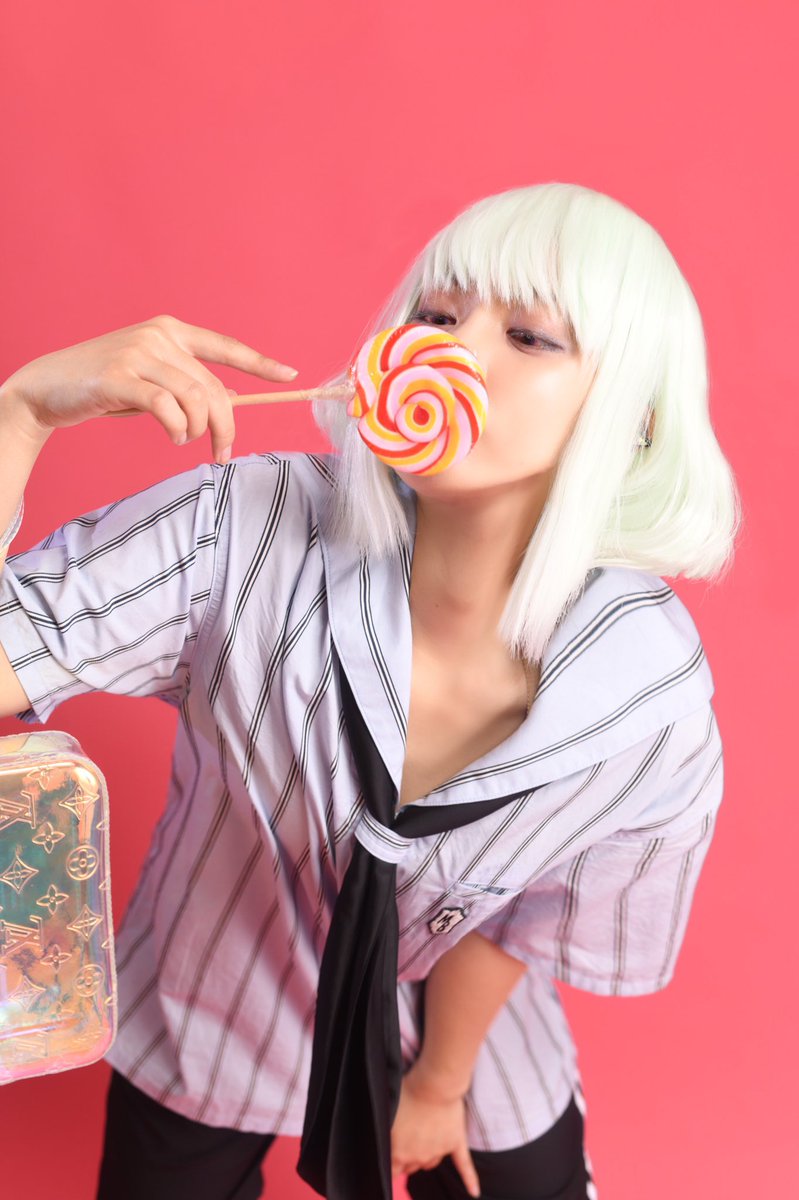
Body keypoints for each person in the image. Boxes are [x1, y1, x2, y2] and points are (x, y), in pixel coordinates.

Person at [0, 181, 742, 1200]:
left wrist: (439, 1083)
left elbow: (527, 912)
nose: (456, 350)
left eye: (528, 336)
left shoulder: (644, 694)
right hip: (213, 987)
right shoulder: (238, 527)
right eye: (435, 315)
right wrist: (20, 415)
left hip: (461, 1027)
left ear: (635, 416)